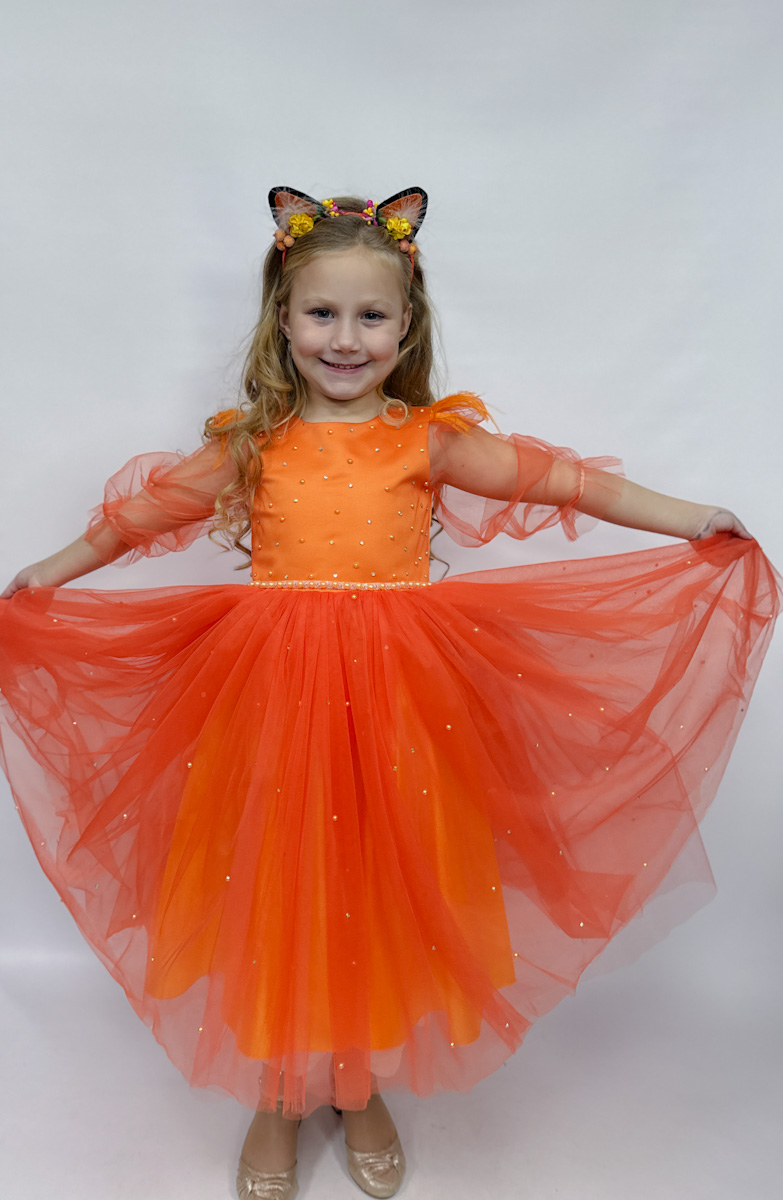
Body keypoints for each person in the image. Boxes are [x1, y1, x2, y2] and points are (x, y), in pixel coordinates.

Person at [0, 187, 779, 1200]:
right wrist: (49, 572)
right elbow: (142, 516)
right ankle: (281, 1093)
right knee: (276, 891)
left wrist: (689, 517)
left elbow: (564, 483)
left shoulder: (426, 440)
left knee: (385, 892)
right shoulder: (253, 443)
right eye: (322, 313)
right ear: (283, 318)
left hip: (403, 704)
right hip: (273, 704)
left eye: (370, 316)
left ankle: (357, 1081)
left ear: (406, 325)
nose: (345, 338)